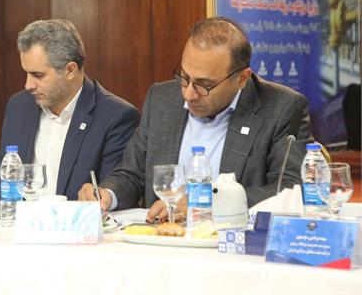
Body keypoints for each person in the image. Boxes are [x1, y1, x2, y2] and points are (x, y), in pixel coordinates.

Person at [78, 17, 312, 222]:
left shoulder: (281, 108)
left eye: (204, 85)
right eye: (184, 77)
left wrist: (207, 202)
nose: (189, 94)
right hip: (162, 238)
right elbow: (132, 173)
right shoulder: (161, 99)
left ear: (242, 79)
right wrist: (107, 194)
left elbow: (291, 189)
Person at [0, 19, 140, 200]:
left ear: (70, 70)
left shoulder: (116, 117)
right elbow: (2, 181)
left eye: (38, 75)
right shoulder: (18, 107)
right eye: (26, 73)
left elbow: (114, 189)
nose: (28, 85)